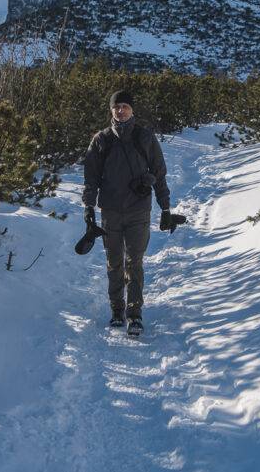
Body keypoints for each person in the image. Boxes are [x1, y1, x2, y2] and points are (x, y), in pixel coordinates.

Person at [82, 90, 175, 336]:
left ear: (132, 109)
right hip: (110, 211)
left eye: (125, 106)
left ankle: (135, 315)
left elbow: (160, 172)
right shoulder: (101, 140)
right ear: (111, 110)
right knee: (114, 263)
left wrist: (165, 207)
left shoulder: (144, 137)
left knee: (135, 263)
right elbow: (90, 178)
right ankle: (116, 310)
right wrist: (89, 208)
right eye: (116, 107)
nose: (120, 110)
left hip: (138, 211)